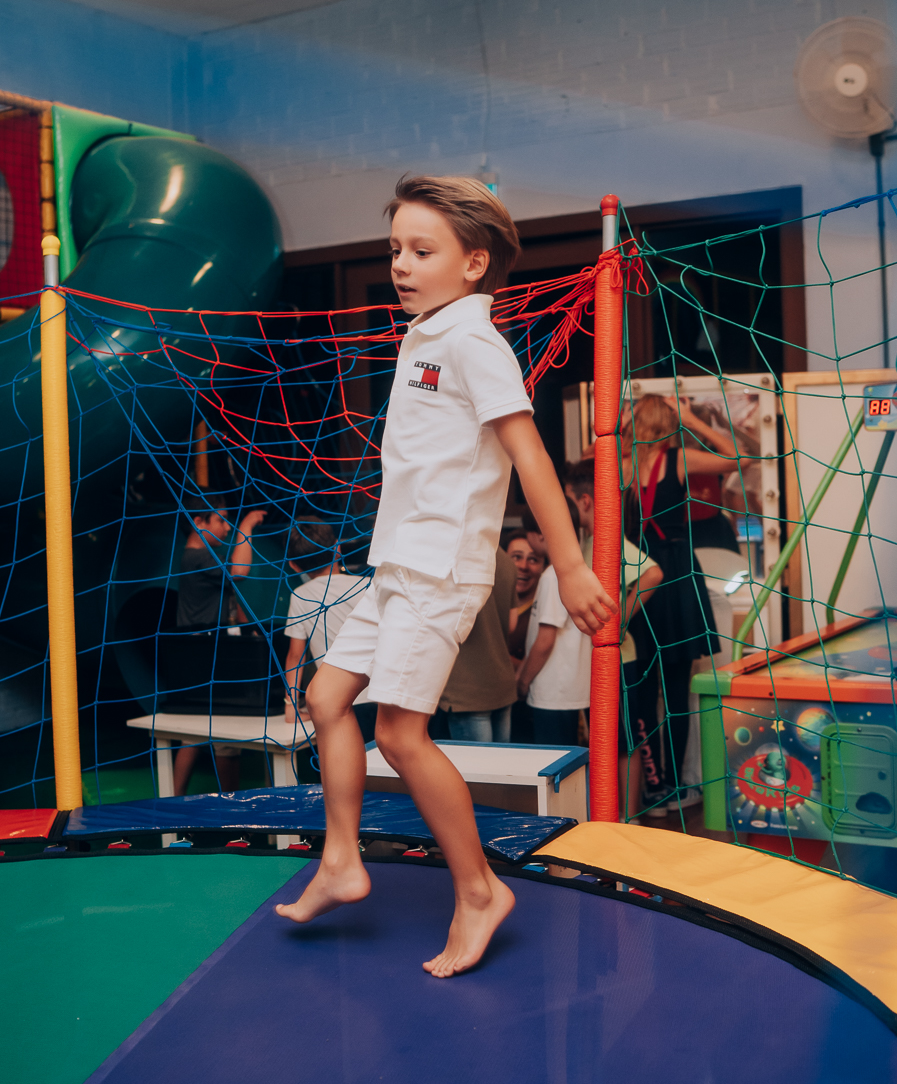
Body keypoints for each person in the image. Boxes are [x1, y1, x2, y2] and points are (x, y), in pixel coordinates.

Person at [274, 174, 615, 977]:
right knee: (325, 698)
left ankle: (479, 890)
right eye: (395, 248)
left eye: (421, 251)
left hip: (440, 573)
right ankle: (340, 861)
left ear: (474, 263)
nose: (400, 264)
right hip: (397, 565)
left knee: (400, 733)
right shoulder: (423, 336)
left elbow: (530, 454)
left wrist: (570, 566)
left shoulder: (472, 342)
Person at [621, 393, 750, 814]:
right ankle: (674, 788)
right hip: (675, 575)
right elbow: (739, 459)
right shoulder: (675, 460)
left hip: (638, 574)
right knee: (676, 691)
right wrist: (692, 419)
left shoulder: (622, 464)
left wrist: (621, 426)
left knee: (641, 688)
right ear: (668, 422)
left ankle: (649, 788)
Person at [563, 459, 664, 821]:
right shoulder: (584, 543)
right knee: (606, 740)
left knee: (625, 742)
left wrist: (617, 618)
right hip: (596, 659)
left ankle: (629, 818)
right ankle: (611, 815)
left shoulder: (608, 541)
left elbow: (653, 573)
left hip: (621, 659)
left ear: (585, 501)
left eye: (568, 500)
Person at [172, 496, 266, 795]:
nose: (226, 528)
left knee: (194, 734)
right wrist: (246, 526)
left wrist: (249, 629)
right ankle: (231, 803)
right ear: (198, 522)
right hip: (206, 654)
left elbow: (229, 599)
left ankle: (178, 798)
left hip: (204, 653)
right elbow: (240, 570)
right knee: (223, 736)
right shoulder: (197, 557)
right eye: (221, 520)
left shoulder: (203, 557)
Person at [283, 517, 373, 741]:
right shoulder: (367, 586)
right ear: (338, 548)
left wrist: (291, 707)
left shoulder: (300, 596)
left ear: (293, 565)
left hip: (336, 701)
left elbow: (295, 656)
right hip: (380, 695)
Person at [438, 544, 518, 742]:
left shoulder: (450, 555)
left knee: (475, 762)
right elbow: (512, 624)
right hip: (501, 681)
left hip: (466, 688)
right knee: (501, 761)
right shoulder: (504, 559)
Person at [504, 529, 545, 663]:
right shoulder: (487, 607)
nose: (523, 566)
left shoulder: (544, 616)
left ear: (544, 567)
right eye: (516, 557)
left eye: (533, 559)